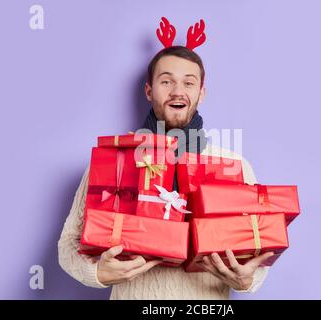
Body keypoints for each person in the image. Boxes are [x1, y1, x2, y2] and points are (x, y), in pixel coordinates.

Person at [58, 19, 276, 300]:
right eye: (166, 81)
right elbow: (68, 244)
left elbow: (256, 249)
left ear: (201, 93)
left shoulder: (234, 165)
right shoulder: (114, 161)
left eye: (188, 82)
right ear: (149, 91)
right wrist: (98, 273)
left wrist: (248, 279)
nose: (177, 90)